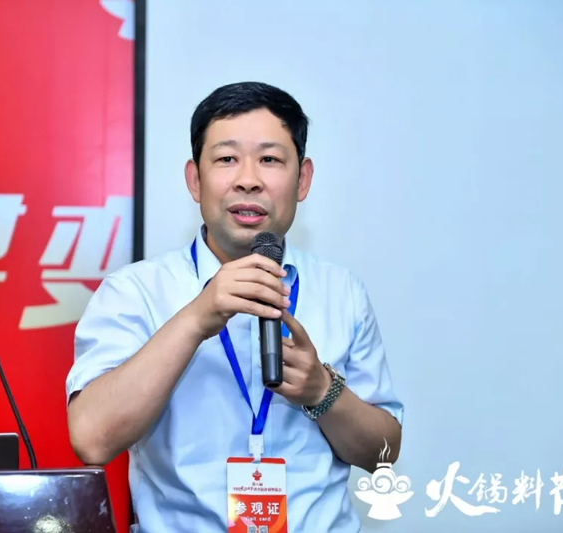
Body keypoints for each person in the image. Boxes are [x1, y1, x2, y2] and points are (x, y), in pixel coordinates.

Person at [65, 81, 404, 532]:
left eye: (270, 159)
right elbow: (91, 440)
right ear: (195, 179)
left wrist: (323, 392)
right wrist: (196, 318)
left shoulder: (342, 292)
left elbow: (382, 454)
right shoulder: (134, 291)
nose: (248, 179)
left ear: (302, 179)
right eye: (226, 159)